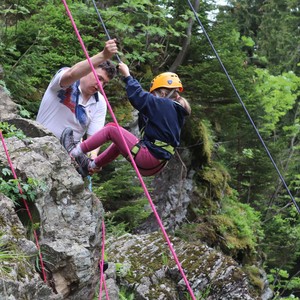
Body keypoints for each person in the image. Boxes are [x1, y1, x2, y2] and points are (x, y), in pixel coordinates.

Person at [60, 62, 191, 177]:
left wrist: (127, 76)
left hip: (149, 157)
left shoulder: (164, 104)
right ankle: (92, 165)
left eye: (154, 94)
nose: (153, 97)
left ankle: (74, 151)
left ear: (163, 93)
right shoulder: (175, 111)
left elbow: (139, 97)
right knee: (120, 140)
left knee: (111, 129)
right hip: (155, 164)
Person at [36, 39, 118, 161]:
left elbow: (94, 138)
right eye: (99, 78)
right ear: (88, 70)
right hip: (39, 145)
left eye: (104, 83)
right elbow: (71, 74)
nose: (100, 85)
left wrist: (92, 159)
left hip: (68, 159)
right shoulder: (65, 81)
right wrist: (103, 56)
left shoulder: (100, 102)